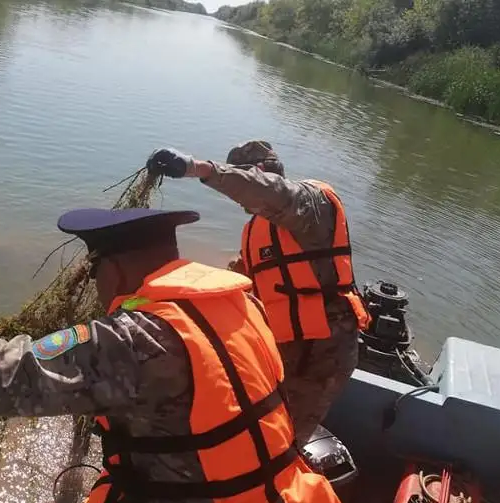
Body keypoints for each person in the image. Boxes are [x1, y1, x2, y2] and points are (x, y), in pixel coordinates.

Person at [0, 207, 352, 503]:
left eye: (93, 270)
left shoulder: (140, 339)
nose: (95, 286)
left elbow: (3, 374)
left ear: (114, 268)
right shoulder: (240, 304)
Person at [146, 142, 370, 444]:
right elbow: (238, 284)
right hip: (283, 349)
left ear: (260, 173)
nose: (238, 202)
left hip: (323, 355)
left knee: (282, 441)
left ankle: (282, 481)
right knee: (249, 425)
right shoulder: (257, 232)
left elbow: (269, 191)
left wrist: (196, 168)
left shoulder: (311, 205)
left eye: (243, 182)